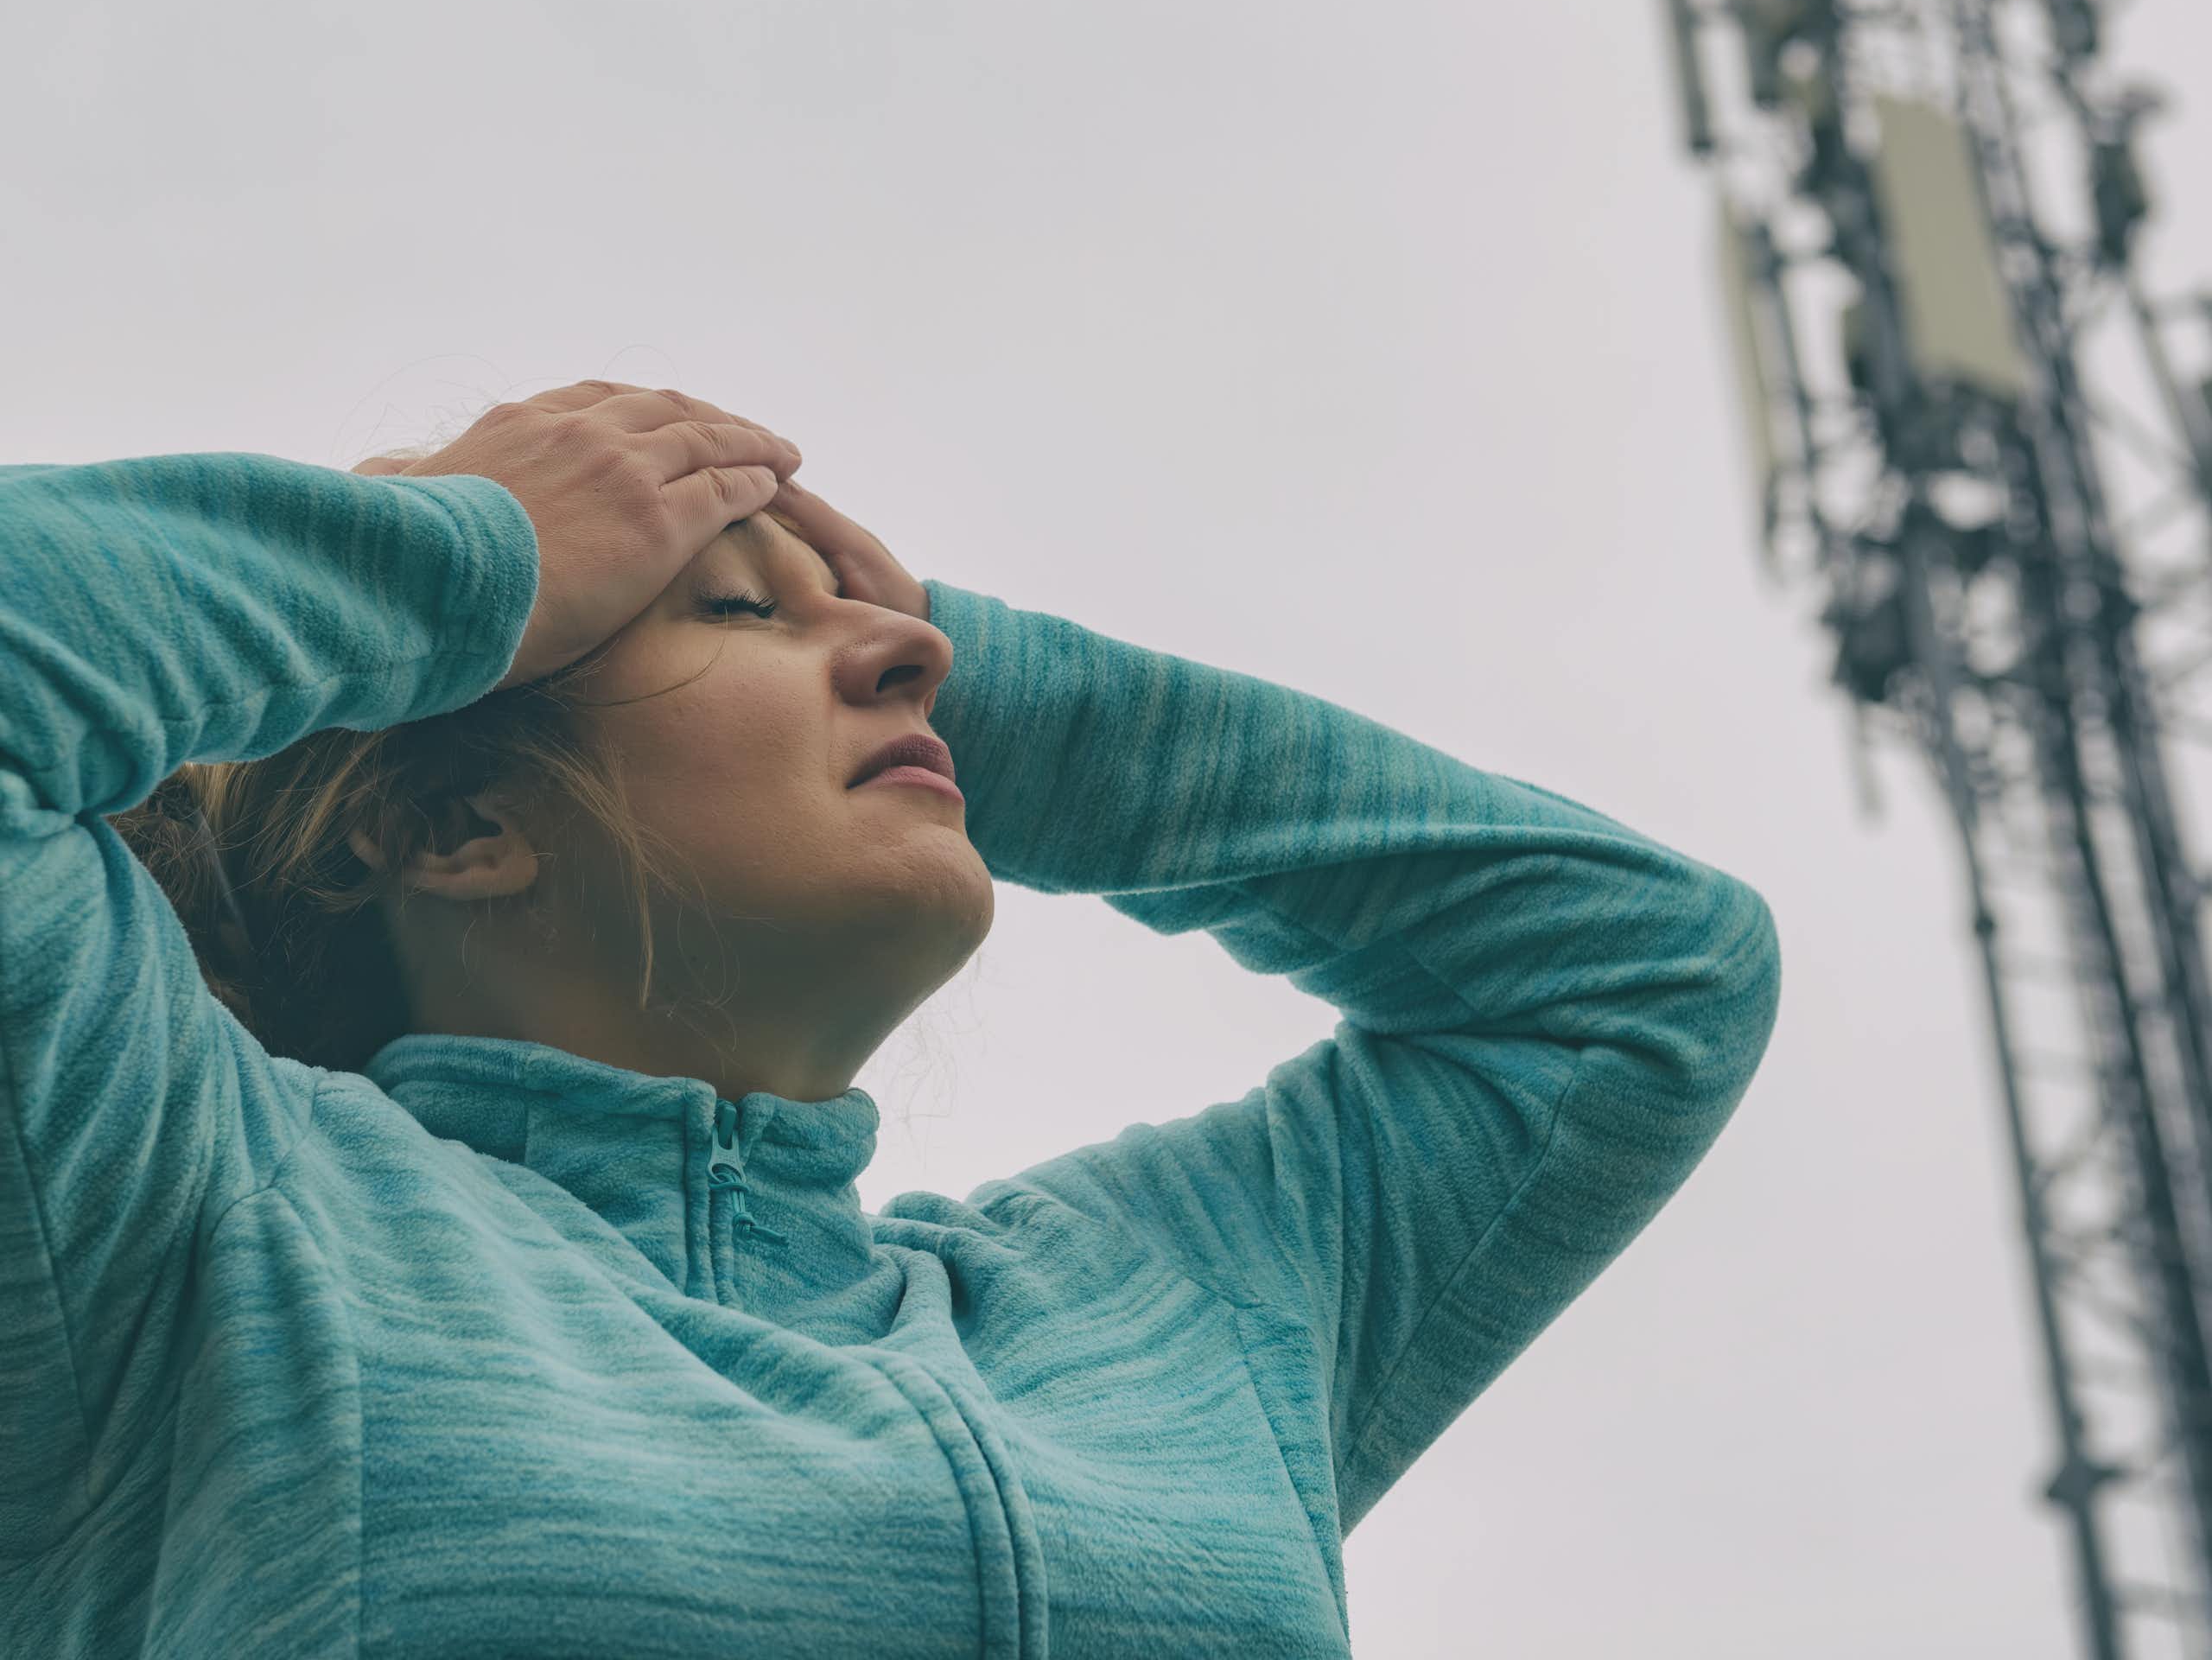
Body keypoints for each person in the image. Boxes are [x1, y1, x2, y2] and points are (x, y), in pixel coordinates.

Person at [0, 378, 1782, 1658]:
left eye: (872, 624)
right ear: (457, 829)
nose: (897, 649)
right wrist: (475, 551)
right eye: (733, 612)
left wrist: (991, 698)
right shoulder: (183, 1229)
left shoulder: (1169, 1309)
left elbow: (1637, 972)